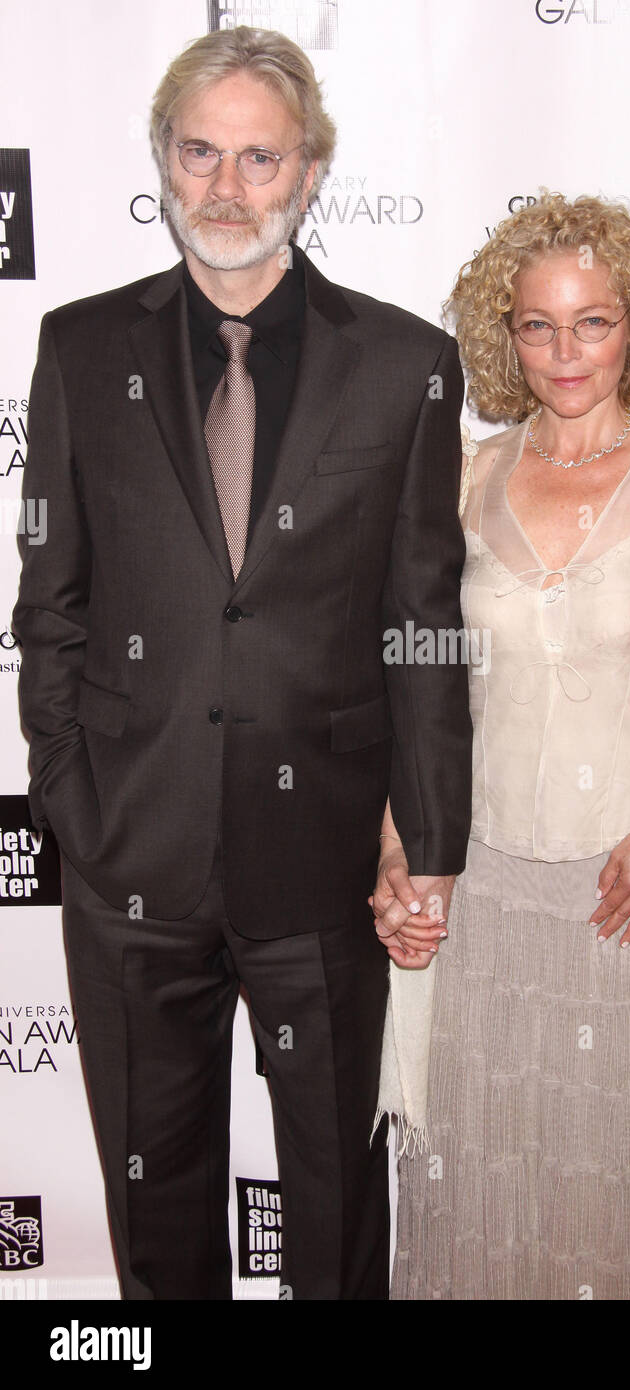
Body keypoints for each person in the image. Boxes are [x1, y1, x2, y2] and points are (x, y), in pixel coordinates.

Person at [12, 25, 471, 1301]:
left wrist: (425, 843)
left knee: (333, 1218)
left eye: (259, 158)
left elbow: (422, 622)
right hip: (131, 863)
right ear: (163, 158)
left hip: (322, 864)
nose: (226, 186)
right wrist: (74, 797)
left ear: (310, 171)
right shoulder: (78, 346)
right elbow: (50, 601)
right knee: (154, 1221)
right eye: (199, 151)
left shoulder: (403, 365)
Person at [371, 193, 630, 1300]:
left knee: (623, 1170)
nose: (565, 353)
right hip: (482, 887)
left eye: (593, 322)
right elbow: (416, 684)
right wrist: (393, 849)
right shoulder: (460, 480)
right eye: (536, 326)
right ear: (501, 336)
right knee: (486, 1167)